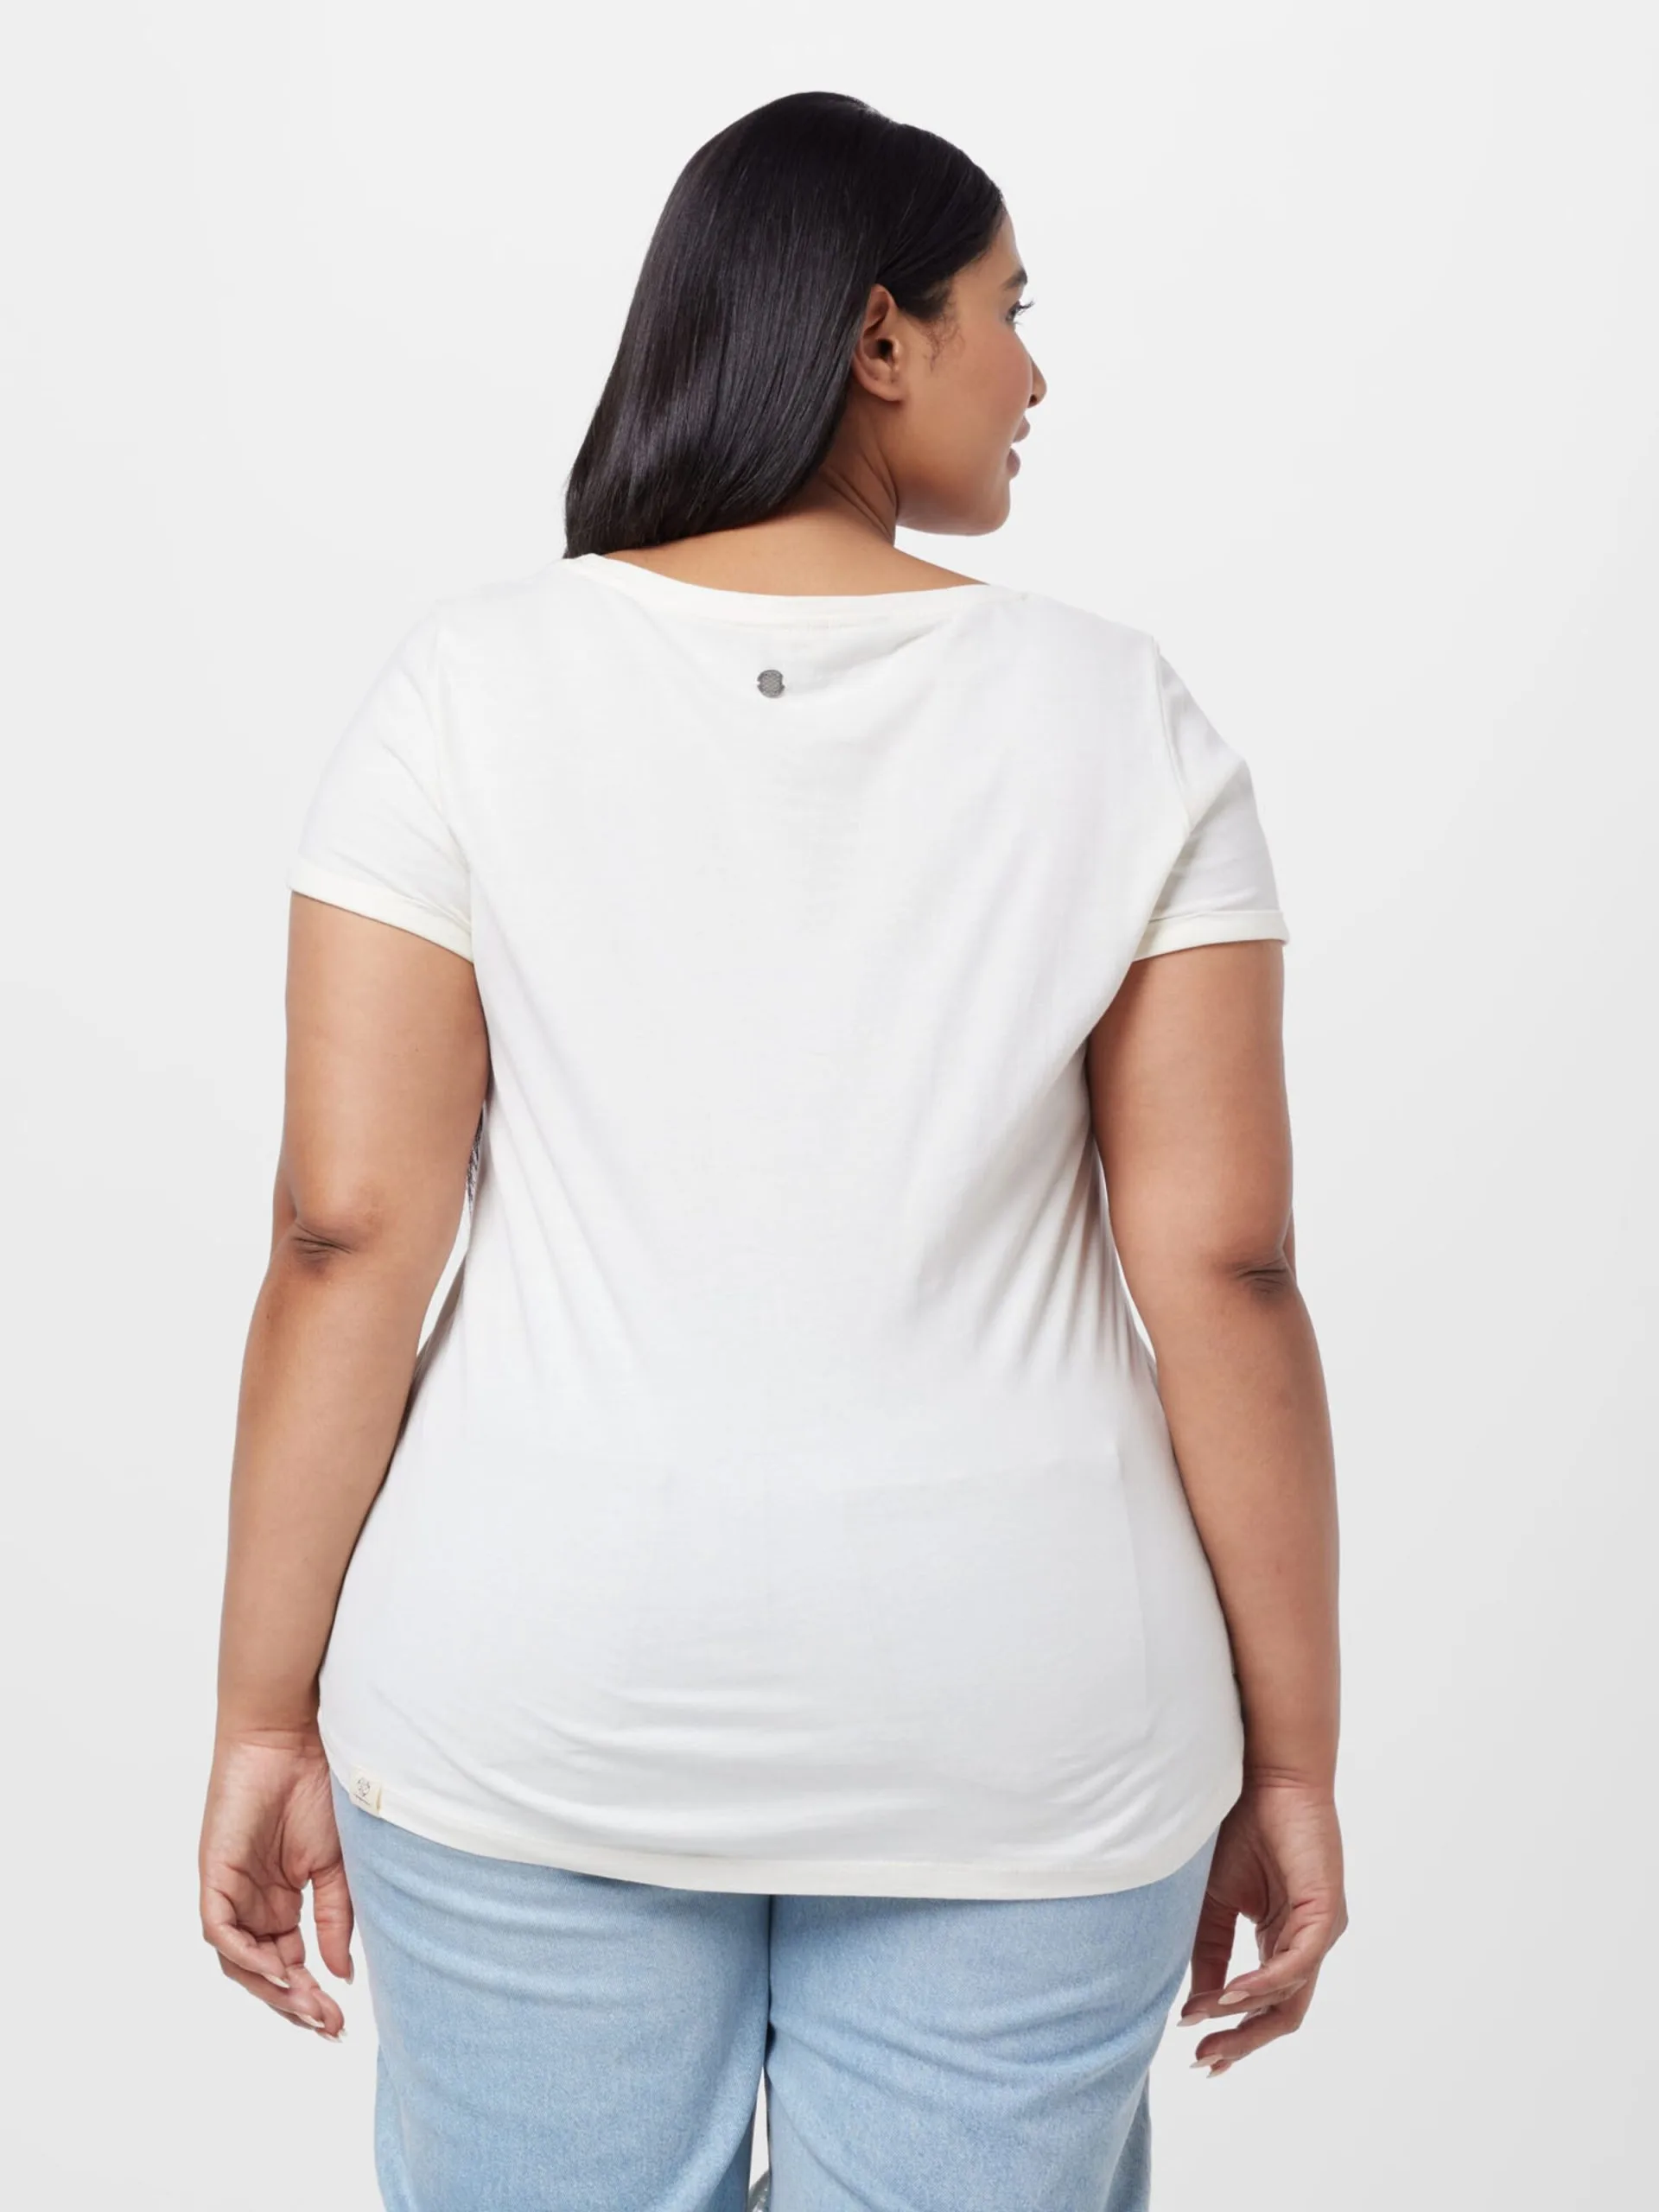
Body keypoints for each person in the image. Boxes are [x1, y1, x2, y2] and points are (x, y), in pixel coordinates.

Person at [199, 88, 1345, 2212]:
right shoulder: (1123, 716)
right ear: (881, 337)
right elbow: (1226, 1267)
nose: (1035, 375)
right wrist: (1291, 1752)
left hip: (535, 1691)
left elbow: (345, 1231)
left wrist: (264, 1711)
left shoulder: (466, 691)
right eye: (1011, 311)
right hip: (1031, 1720)